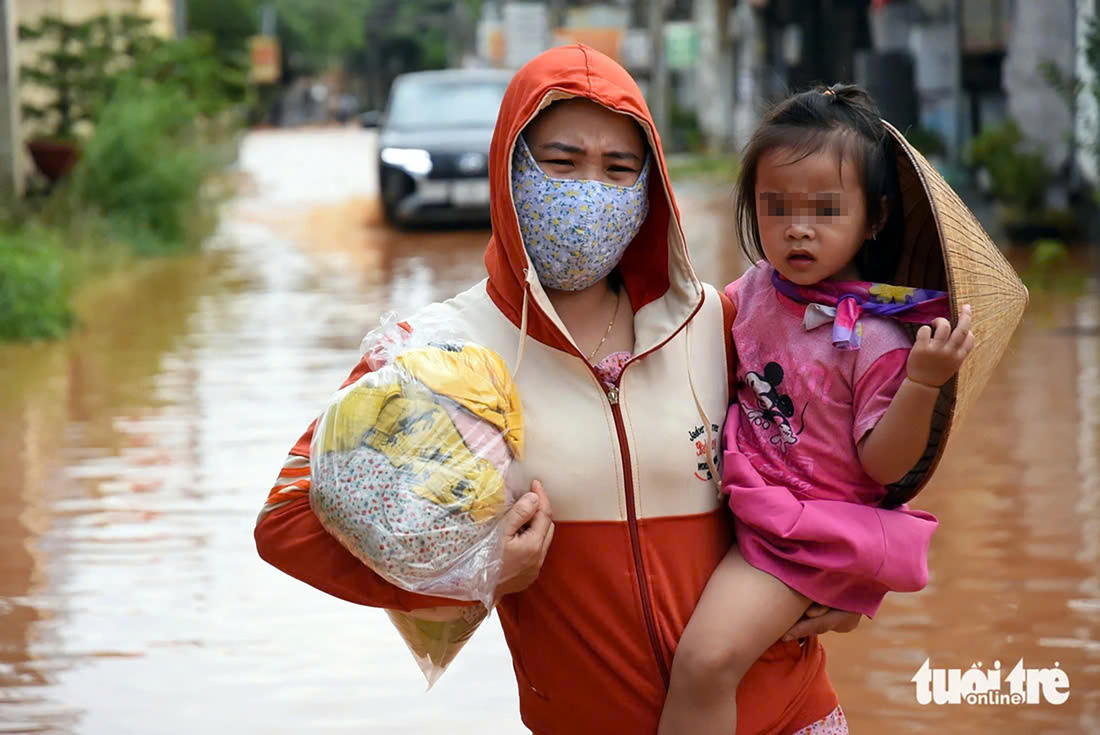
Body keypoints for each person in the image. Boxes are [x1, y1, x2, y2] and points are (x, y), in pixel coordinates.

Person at [255, 46, 863, 733]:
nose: (589, 191)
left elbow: (849, 444)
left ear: (648, 190)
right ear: (510, 171)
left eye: (619, 169)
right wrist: (475, 570)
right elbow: (287, 525)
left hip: (792, 716)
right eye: (562, 162)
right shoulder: (443, 356)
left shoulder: (721, 324)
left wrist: (854, 582)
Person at [658, 85, 974, 734]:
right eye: (776, 208)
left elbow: (883, 464)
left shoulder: (880, 340)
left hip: (805, 534)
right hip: (749, 492)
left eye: (825, 209)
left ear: (875, 217)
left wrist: (922, 383)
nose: (797, 227)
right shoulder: (753, 291)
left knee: (706, 662)